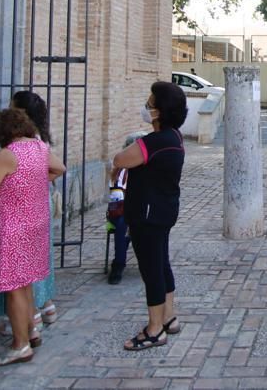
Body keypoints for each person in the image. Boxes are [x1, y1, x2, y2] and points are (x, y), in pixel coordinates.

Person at [0, 108, 65, 365]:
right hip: (35, 224)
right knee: (25, 282)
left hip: (12, 229)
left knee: (14, 287)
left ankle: (20, 344)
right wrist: (36, 181)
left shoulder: (7, 155)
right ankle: (30, 330)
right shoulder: (38, 148)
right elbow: (60, 168)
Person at [111, 81, 188, 351]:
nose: (146, 107)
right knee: (161, 262)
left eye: (150, 103)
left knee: (151, 269)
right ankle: (169, 317)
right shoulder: (174, 137)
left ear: (159, 111)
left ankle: (155, 329)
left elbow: (120, 160)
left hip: (147, 214)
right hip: (163, 210)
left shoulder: (154, 142)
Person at [0, 91, 61, 334]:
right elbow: (57, 167)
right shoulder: (41, 139)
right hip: (38, 204)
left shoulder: (22, 144)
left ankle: (26, 319)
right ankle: (45, 306)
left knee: (19, 267)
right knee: (38, 259)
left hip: (19, 210)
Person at [106, 167, 130, 284]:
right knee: (124, 222)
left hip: (138, 213)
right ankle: (118, 264)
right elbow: (116, 202)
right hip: (118, 212)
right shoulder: (121, 173)